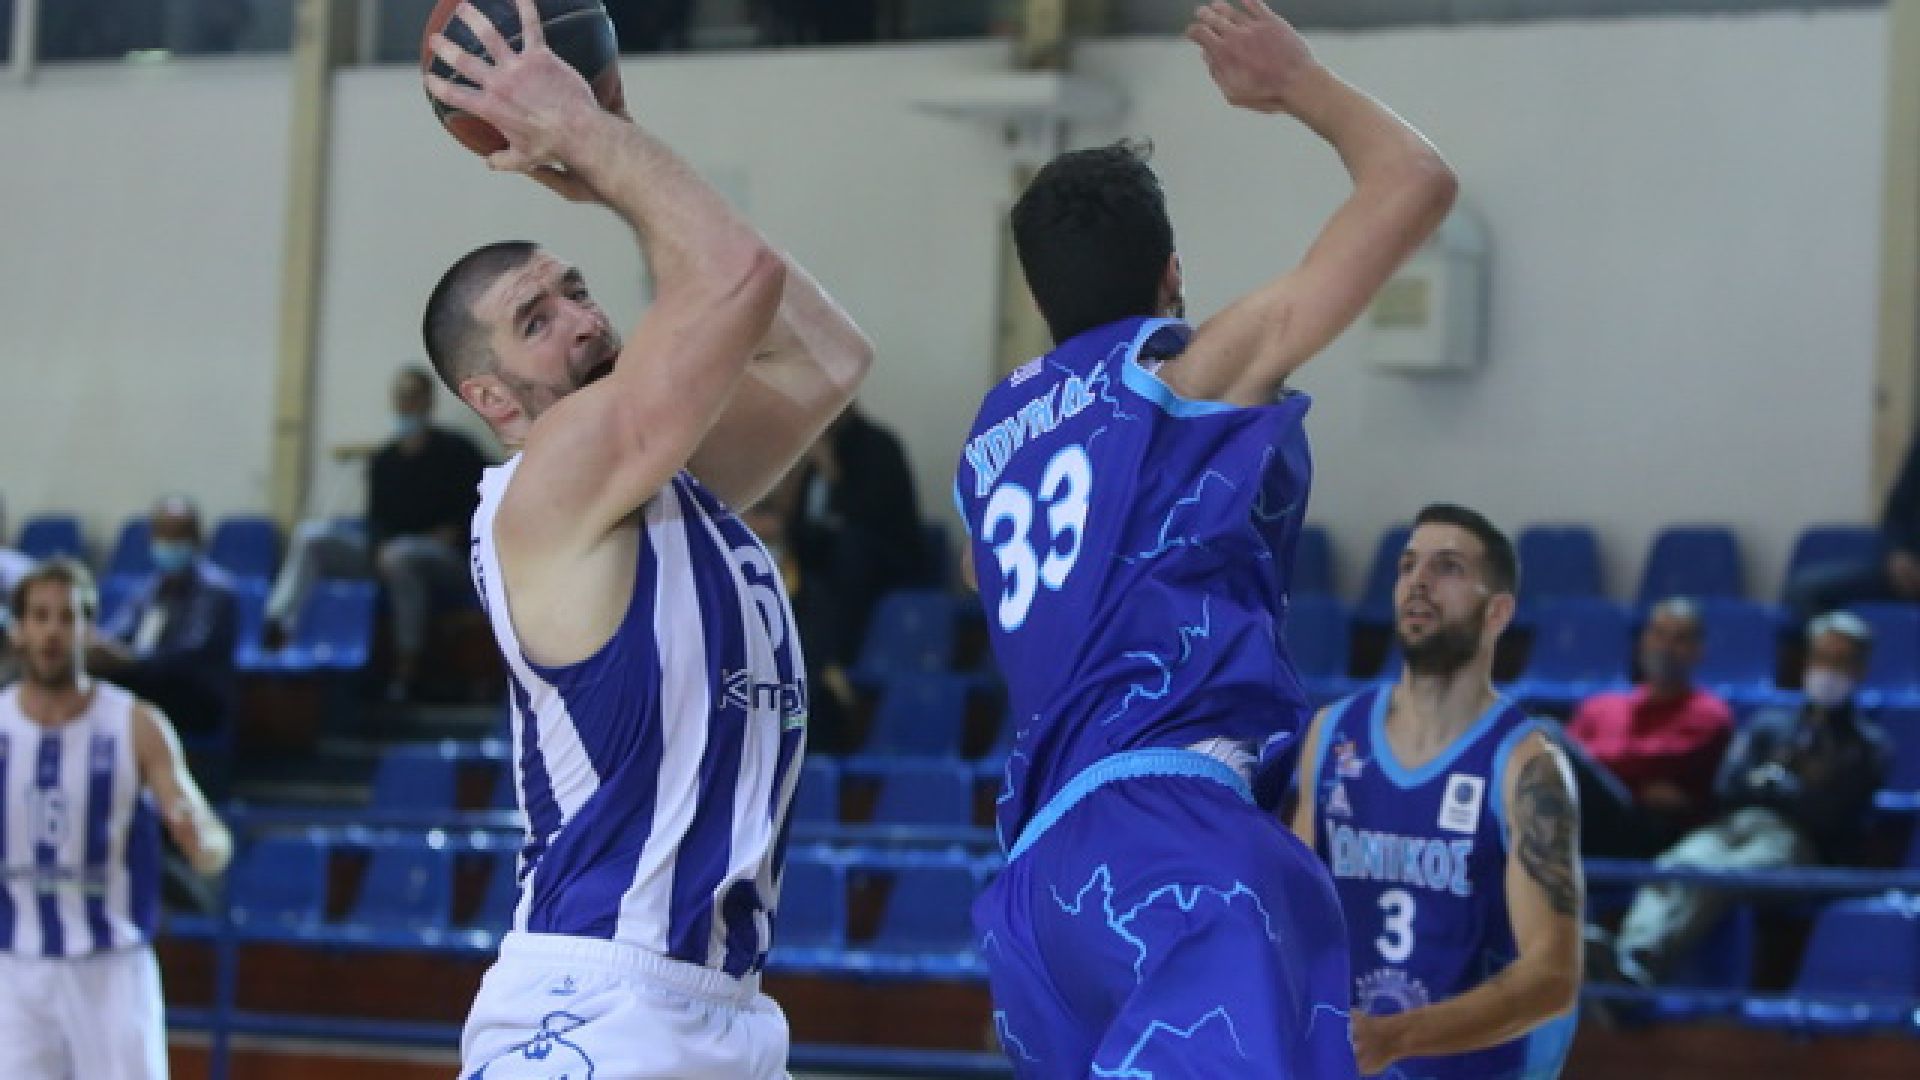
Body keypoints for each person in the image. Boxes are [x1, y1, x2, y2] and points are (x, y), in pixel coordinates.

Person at [954, 3, 1456, 1075]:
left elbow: (983, 570)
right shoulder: (1186, 377)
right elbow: (1415, 184)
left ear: (1040, 297)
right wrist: (1299, 82)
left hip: (1037, 888)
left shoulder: (991, 448)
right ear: (1172, 273)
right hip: (1172, 840)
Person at [423, 2, 872, 1075]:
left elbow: (827, 357)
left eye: (576, 289)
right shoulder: (555, 478)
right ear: (492, 398)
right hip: (595, 1001)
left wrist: (606, 160)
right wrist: (594, 141)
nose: (583, 319)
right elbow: (735, 276)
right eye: (536, 320)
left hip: (719, 1006)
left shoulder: (666, 485)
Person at [1291, 506, 1583, 1079]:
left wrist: (1396, 1036)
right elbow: (1299, 915)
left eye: (1447, 567)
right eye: (1407, 565)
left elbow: (1553, 976)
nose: (1418, 581)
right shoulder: (1332, 734)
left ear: (1497, 612)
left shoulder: (1526, 764)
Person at [0, 558, 231, 1078]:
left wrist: (201, 842)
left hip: (112, 966)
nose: (53, 631)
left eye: (68, 616)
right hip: (14, 967)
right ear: (19, 630)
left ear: (90, 628)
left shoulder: (136, 724)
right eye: (40, 616)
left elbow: (207, 832)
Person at [1593, 611, 1890, 988]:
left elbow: (1827, 815)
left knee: (1720, 877)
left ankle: (1641, 964)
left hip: (1796, 845)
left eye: (1840, 660)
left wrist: (1771, 786)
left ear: (1860, 669)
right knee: (1674, 865)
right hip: (1733, 826)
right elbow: (1728, 787)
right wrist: (1789, 787)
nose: (1827, 669)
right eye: (1820, 657)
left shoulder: (1868, 746)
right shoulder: (1770, 724)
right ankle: (1623, 960)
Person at [264, 366, 488, 702]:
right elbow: (376, 522)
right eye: (401, 397)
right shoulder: (384, 461)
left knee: (401, 556)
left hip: (449, 560)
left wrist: (453, 532)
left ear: (428, 401)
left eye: (414, 397)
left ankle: (406, 670)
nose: (407, 404)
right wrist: (378, 546)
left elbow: (484, 506)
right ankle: (278, 626)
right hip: (387, 551)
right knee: (313, 539)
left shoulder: (457, 451)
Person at [1564, 597, 1733, 858]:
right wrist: (1641, 788)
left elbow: (1652, 761)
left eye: (1679, 639)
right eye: (1658, 634)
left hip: (1653, 834)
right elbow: (1563, 767)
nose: (1665, 647)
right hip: (1579, 822)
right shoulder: (1599, 707)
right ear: (1642, 641)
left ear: (1698, 650)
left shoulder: (1709, 714)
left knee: (1549, 735)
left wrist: (1586, 761)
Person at [785, 402, 935, 671]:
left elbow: (866, 515)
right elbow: (801, 526)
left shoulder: (878, 446)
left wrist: (831, 472)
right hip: (830, 570)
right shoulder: (814, 456)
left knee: (849, 550)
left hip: (886, 562)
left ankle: (837, 661)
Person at [90, 496, 239, 736]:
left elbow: (190, 652)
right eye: (163, 535)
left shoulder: (216, 590)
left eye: (178, 535)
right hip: (149, 685)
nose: (169, 543)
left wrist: (131, 660)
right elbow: (119, 632)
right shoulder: (150, 589)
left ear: (196, 539)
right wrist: (99, 647)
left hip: (195, 696)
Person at [1786, 426, 1920, 619]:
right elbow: (1897, 512)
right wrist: (1897, 553)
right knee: (1805, 589)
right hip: (1906, 570)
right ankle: (1840, 638)